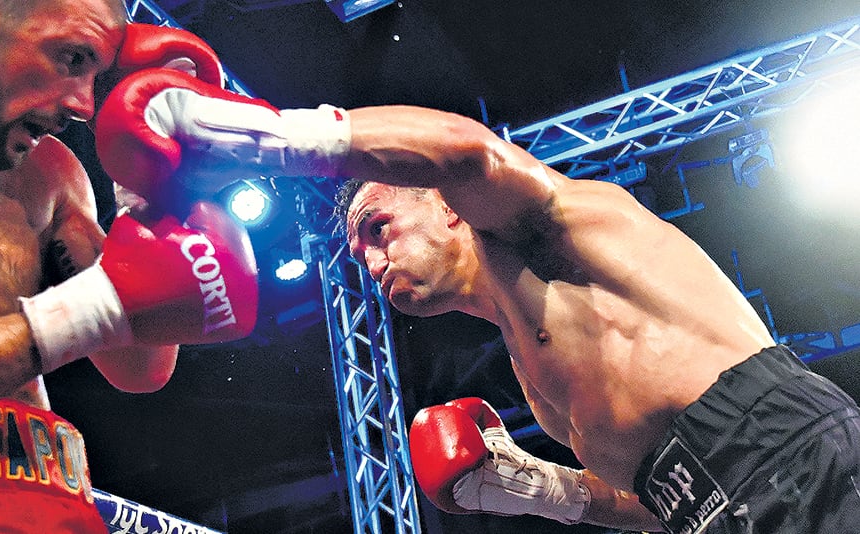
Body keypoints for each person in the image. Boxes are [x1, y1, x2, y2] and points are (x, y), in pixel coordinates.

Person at [98, 67, 860, 531]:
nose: (368, 262)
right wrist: (541, 489)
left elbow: (466, 149)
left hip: (792, 454)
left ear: (448, 206)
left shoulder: (548, 230)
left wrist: (247, 136)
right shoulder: (535, 375)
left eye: (377, 227)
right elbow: (659, 501)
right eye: (359, 249)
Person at [0, 1, 257, 531]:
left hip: (56, 509)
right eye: (73, 58)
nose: (83, 105)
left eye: (96, 75)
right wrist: (79, 317)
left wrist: (154, 190)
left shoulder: (49, 174)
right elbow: (100, 313)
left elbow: (140, 368)